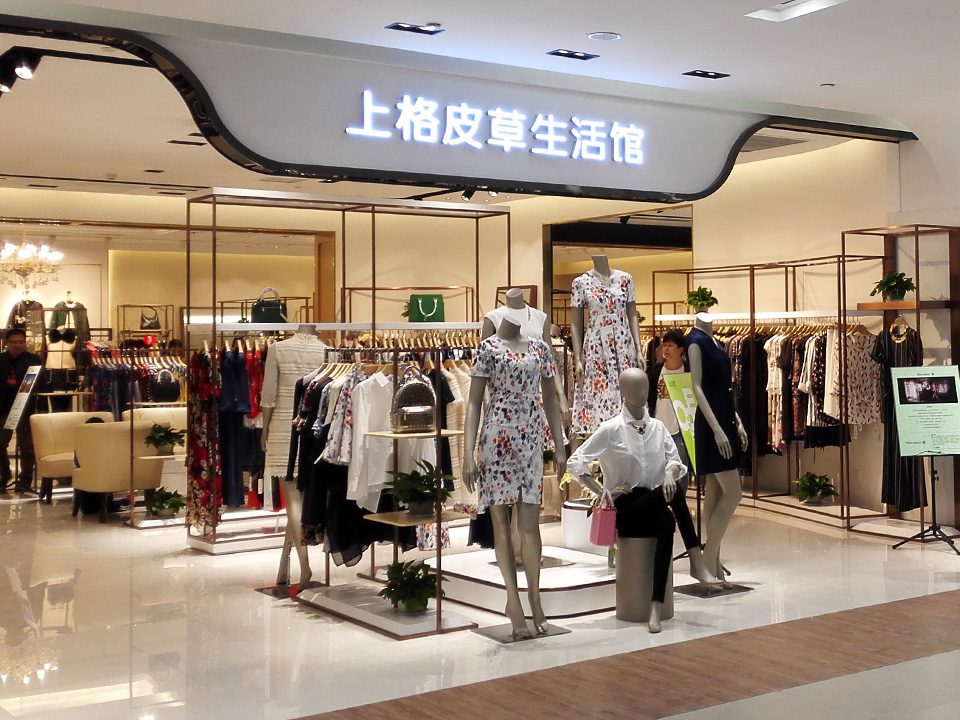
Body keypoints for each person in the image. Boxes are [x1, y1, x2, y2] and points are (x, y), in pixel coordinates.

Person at [567, 367, 683, 633]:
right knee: (674, 494)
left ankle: (656, 605)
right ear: (624, 392)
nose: (642, 393)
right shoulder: (611, 429)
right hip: (626, 506)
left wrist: (669, 473)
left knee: (666, 524)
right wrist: (602, 492)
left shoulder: (658, 428)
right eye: (635, 388)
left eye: (645, 387)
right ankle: (696, 557)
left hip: (652, 502)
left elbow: (675, 461)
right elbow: (576, 462)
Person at [647, 330, 721, 585]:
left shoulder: (690, 374)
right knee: (658, 483)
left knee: (678, 484)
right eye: (663, 345)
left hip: (681, 434)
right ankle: (666, 525)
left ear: (681, 349)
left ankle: (677, 525)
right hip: (658, 433)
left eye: (670, 345)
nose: (665, 350)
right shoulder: (655, 372)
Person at [0, 327, 42, 496]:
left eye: (21, 342)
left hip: (26, 409)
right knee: (0, 443)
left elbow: (39, 384)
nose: (17, 345)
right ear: (7, 343)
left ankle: (25, 480)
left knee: (27, 446)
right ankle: (4, 474)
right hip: (4, 409)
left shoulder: (34, 360)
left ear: (25, 343)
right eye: (13, 342)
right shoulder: (1, 360)